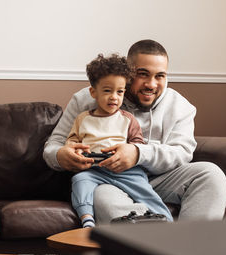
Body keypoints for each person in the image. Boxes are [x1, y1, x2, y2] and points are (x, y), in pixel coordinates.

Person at [43, 39, 226, 223]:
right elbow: (54, 144)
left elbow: (182, 152)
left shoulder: (180, 106)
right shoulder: (87, 99)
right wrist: (61, 156)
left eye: (160, 76)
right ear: (128, 73)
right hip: (107, 179)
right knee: (101, 196)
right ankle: (149, 240)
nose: (151, 84)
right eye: (143, 74)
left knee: (211, 175)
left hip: (162, 179)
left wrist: (138, 153)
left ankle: (190, 249)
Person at [67, 54, 173, 228]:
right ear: (93, 92)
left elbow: (138, 145)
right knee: (79, 181)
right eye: (107, 91)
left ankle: (167, 222)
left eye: (120, 92)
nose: (114, 97)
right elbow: (72, 140)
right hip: (95, 170)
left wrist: (130, 150)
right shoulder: (83, 119)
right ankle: (86, 218)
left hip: (127, 171)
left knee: (146, 192)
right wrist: (74, 150)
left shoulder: (128, 119)